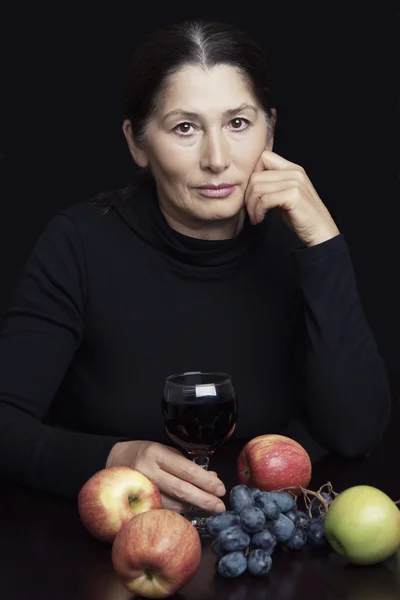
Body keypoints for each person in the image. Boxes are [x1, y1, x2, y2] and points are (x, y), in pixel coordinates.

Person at [0, 19, 391, 515]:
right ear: (137, 143)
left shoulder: (300, 244)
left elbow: (355, 433)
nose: (216, 158)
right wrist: (114, 457)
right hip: (111, 537)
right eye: (185, 127)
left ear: (270, 130)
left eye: (238, 124)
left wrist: (324, 246)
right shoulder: (77, 243)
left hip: (276, 540)